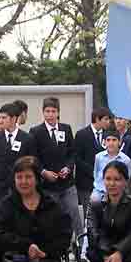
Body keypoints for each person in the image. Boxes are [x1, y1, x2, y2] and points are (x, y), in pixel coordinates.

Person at [29, 96, 82, 240]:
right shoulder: (35, 131)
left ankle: (82, 243)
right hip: (48, 185)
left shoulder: (66, 129)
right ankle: (57, 245)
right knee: (52, 217)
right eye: (47, 111)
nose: (50, 114)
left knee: (74, 213)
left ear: (58, 112)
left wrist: (68, 168)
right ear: (43, 112)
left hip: (67, 183)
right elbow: (33, 157)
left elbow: (72, 153)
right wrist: (43, 172)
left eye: (53, 111)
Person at [0, 103, 36, 211]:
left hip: (21, 191)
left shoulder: (27, 139)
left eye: (4, 118)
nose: (0, 121)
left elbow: (32, 165)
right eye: (0, 118)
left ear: (13, 119)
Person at [74, 107, 112, 208]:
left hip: (105, 183)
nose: (108, 122)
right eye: (106, 119)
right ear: (97, 119)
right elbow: (77, 158)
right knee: (90, 212)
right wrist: (93, 171)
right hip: (87, 183)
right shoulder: (81, 134)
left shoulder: (108, 135)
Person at [91, 129, 131, 203]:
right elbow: (96, 173)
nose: (111, 143)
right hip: (100, 191)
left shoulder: (126, 160)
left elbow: (127, 178)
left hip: (118, 191)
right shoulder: (99, 157)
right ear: (104, 142)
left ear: (119, 142)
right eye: (108, 140)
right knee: (94, 200)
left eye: (114, 140)